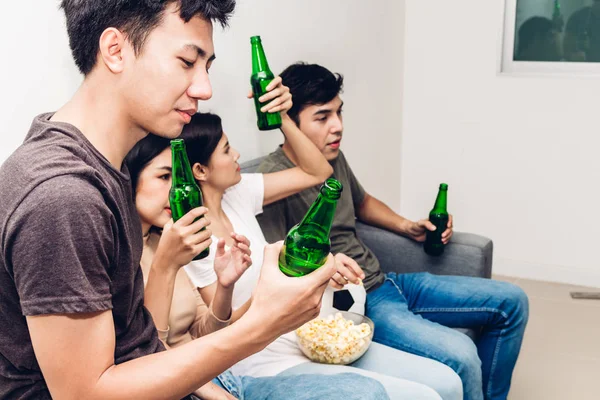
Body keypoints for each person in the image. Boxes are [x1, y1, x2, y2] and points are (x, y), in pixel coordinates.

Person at [0, 1, 340, 398]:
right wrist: (262, 325)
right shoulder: (62, 194)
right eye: (186, 62)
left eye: (207, 67)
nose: (204, 88)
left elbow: (135, 344)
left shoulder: (107, 166)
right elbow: (85, 394)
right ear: (116, 50)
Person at [256, 62, 530, 400]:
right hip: (360, 301)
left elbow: (362, 202)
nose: (338, 127)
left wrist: (407, 226)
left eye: (339, 113)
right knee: (460, 356)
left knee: (512, 301)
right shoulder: (272, 179)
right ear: (290, 122)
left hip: (389, 281)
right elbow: (275, 262)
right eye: (323, 117)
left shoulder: (332, 158)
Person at [179, 110, 463, 400]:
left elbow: (319, 173)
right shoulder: (194, 241)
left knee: (447, 382)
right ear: (201, 171)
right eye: (227, 150)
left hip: (307, 334)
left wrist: (282, 117)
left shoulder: (237, 192)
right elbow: (218, 330)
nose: (237, 154)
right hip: (262, 359)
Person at [124, 133, 389, 400]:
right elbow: (145, 354)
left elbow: (203, 333)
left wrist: (226, 285)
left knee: (369, 392)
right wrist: (213, 392)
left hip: (215, 373)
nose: (178, 190)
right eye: (164, 177)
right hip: (188, 384)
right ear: (129, 180)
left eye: (179, 177)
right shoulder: (122, 253)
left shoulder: (171, 238)